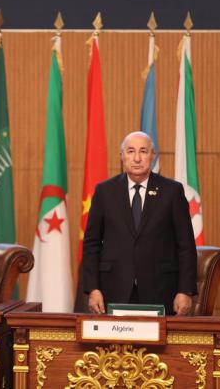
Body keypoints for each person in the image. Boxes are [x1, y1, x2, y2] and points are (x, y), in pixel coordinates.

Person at [81, 131, 197, 315]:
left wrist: (185, 291)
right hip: (113, 289)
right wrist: (93, 289)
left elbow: (186, 245)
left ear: (153, 155)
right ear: (122, 156)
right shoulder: (105, 191)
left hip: (161, 290)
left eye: (143, 151)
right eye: (130, 151)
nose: (137, 158)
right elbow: (91, 244)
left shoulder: (172, 191)